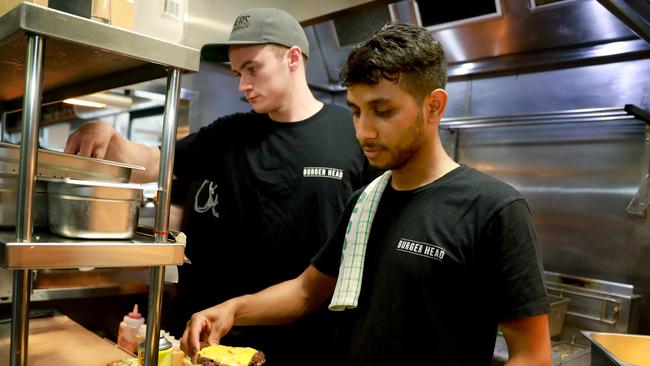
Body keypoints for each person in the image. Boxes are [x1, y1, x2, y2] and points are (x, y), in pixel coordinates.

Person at [180, 22, 553, 366]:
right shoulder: (365, 202)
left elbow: (532, 356)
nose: (364, 132)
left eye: (382, 111)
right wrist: (231, 309)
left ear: (434, 106)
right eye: (357, 111)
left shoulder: (493, 208)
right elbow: (306, 291)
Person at [64, 8, 375, 366]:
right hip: (215, 338)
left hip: (308, 341)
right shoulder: (227, 135)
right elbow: (153, 163)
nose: (243, 85)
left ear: (292, 58)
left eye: (253, 68)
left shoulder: (352, 134)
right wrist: (109, 138)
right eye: (238, 72)